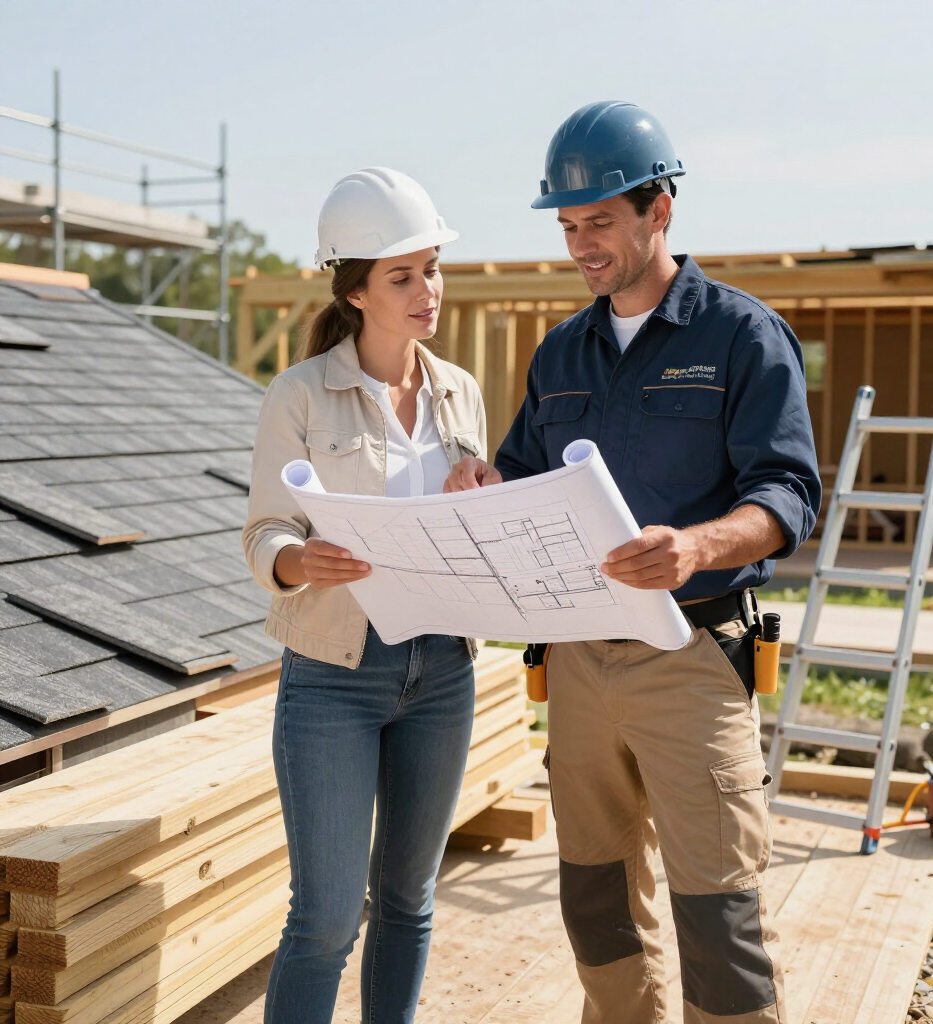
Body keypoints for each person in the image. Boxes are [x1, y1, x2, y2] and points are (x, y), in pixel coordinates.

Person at [445, 102, 821, 1024]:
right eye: (570, 226)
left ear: (661, 210)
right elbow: (529, 481)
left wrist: (695, 546)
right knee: (597, 900)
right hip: (577, 663)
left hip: (693, 658)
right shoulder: (563, 350)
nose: (583, 245)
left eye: (600, 221)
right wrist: (485, 487)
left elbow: (787, 494)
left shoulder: (740, 336)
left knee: (716, 911)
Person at [243, 167, 487, 1024]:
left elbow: (472, 540)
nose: (429, 291)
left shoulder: (461, 392)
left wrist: (479, 508)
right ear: (355, 292)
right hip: (333, 676)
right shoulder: (300, 394)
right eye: (403, 276)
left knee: (410, 900)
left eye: (432, 268)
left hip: (442, 675)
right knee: (324, 919)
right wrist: (300, 562)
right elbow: (264, 533)